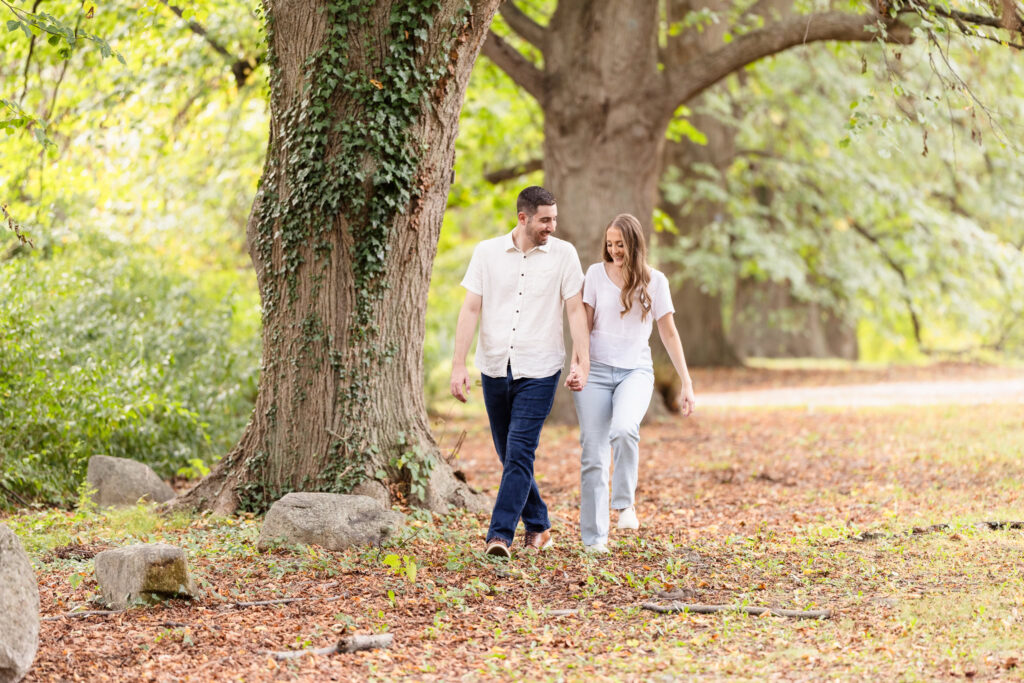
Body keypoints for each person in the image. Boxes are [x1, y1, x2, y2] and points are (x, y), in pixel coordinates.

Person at [450, 186, 590, 557]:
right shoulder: (487, 253)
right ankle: (540, 525)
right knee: (508, 453)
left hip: (541, 368)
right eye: (545, 220)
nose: (552, 226)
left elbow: (576, 310)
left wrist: (582, 359)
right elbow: (470, 309)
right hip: (495, 365)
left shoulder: (564, 255)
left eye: (555, 219)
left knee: (519, 450)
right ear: (523, 217)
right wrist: (458, 364)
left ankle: (499, 535)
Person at [573, 213, 695, 553]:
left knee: (625, 429)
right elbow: (583, 324)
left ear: (635, 244)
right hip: (595, 371)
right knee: (593, 455)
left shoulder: (655, 282)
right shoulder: (595, 275)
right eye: (609, 245)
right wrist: (578, 365)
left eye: (620, 245)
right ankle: (595, 539)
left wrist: (686, 381)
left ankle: (624, 504)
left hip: (634, 372)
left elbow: (669, 332)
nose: (614, 251)